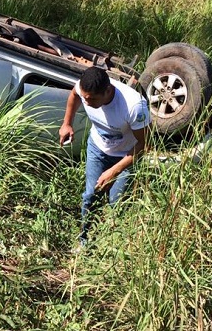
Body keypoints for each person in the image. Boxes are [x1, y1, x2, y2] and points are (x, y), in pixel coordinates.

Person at [58, 66, 151, 248]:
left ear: (107, 91)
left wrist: (114, 171)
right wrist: (67, 123)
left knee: (116, 202)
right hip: (98, 148)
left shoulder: (134, 106)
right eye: (85, 98)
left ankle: (112, 245)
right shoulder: (85, 89)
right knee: (90, 195)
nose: (86, 102)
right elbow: (75, 95)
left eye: (92, 99)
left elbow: (145, 144)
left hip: (126, 156)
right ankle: (84, 242)